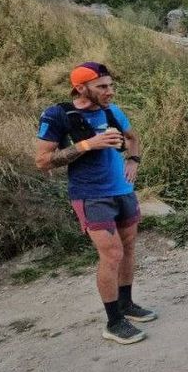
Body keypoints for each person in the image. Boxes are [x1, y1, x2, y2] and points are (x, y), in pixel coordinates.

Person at [35, 62, 155, 345]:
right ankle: (114, 322)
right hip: (90, 195)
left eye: (111, 85)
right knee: (112, 254)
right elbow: (42, 161)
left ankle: (126, 304)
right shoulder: (58, 115)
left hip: (123, 191)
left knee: (128, 248)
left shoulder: (113, 111)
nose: (110, 91)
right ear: (80, 88)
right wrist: (89, 144)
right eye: (102, 86)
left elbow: (132, 138)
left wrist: (133, 161)